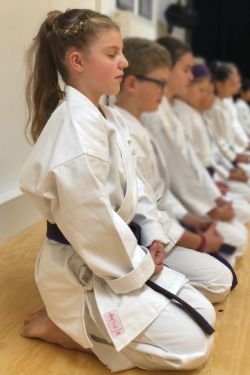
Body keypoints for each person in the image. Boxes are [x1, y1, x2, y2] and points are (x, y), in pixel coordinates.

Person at [19, 9, 215, 372]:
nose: (124, 62)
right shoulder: (75, 131)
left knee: (204, 312)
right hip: (85, 267)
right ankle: (67, 327)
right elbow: (93, 224)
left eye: (121, 51)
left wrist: (153, 235)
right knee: (191, 349)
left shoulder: (104, 117)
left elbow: (137, 186)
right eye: (112, 54)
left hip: (119, 254)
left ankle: (86, 324)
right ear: (77, 61)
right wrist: (141, 266)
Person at [114, 37, 234, 303]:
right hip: (144, 239)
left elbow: (161, 192)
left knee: (225, 269)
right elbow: (143, 207)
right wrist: (197, 240)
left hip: (159, 229)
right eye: (160, 82)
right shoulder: (125, 129)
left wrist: (192, 220)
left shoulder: (139, 122)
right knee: (221, 278)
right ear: (132, 83)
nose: (165, 87)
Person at [142, 36, 247, 267]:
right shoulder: (155, 114)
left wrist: (215, 198)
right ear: (167, 70)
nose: (189, 77)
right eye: (186, 70)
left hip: (183, 204)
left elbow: (192, 164)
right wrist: (208, 208)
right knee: (237, 237)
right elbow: (178, 175)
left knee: (238, 235)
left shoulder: (168, 110)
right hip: (172, 210)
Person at [173, 62, 250, 222]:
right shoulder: (184, 115)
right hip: (197, 189)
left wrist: (227, 171)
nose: (209, 96)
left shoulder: (198, 115)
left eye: (209, 91)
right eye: (203, 91)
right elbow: (193, 165)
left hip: (214, 177)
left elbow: (214, 151)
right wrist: (225, 175)